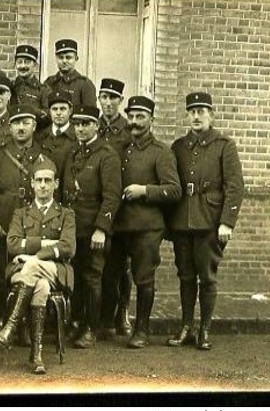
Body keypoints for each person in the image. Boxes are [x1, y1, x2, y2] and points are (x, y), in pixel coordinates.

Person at [166, 92, 244, 350]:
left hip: (210, 221)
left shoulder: (224, 145)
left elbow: (235, 187)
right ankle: (186, 326)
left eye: (202, 111)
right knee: (185, 275)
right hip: (182, 221)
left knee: (207, 277)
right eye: (192, 111)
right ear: (187, 115)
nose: (196, 116)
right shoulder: (178, 146)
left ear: (212, 114)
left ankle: (205, 330)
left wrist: (227, 222)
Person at [0, 155, 76, 375]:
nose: (43, 185)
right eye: (39, 180)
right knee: (41, 286)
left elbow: (68, 247)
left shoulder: (66, 214)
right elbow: (13, 245)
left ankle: (10, 327)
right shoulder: (21, 213)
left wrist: (33, 256)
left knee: (33, 267)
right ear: (32, 184)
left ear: (56, 184)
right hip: (27, 271)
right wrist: (46, 244)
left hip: (56, 270)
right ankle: (36, 355)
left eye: (48, 180)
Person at [110, 96, 182, 349]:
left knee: (143, 278)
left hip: (147, 226)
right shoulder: (121, 149)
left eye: (141, 117)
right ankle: (115, 320)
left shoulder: (161, 152)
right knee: (113, 274)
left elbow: (174, 190)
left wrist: (144, 191)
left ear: (151, 119)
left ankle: (141, 329)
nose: (135, 122)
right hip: (119, 225)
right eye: (131, 116)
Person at [0, 104, 44, 336]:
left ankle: (25, 324)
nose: (20, 127)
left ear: (34, 126)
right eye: (16, 123)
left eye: (26, 122)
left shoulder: (42, 154)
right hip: (4, 218)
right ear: (9, 126)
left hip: (31, 222)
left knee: (27, 270)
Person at [62, 106, 122, 349]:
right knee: (74, 276)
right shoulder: (73, 151)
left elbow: (112, 196)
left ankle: (91, 327)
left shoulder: (107, 155)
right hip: (72, 227)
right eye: (77, 124)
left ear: (97, 126)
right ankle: (76, 321)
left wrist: (102, 228)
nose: (81, 129)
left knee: (93, 278)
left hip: (93, 227)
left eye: (86, 124)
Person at [96, 78, 135, 339]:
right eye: (104, 97)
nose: (108, 102)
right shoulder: (92, 125)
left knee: (121, 264)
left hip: (122, 204)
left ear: (121, 101)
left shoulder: (129, 130)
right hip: (96, 200)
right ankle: (101, 316)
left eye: (113, 98)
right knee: (99, 266)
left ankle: (122, 312)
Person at [34, 90, 78, 192]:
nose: (58, 113)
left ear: (70, 111)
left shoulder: (77, 138)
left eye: (62, 109)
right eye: (54, 109)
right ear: (49, 111)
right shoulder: (40, 137)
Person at [43, 39, 97, 109]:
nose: (64, 61)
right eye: (61, 57)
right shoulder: (49, 82)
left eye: (68, 57)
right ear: (56, 59)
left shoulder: (85, 84)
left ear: (76, 58)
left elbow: (90, 114)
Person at [10, 44, 51, 130]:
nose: (23, 66)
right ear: (15, 64)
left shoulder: (43, 90)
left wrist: (32, 110)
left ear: (35, 65)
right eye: (20, 62)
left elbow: (48, 117)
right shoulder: (10, 87)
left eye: (27, 62)